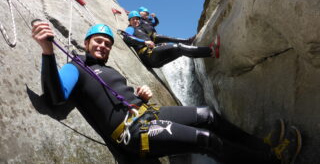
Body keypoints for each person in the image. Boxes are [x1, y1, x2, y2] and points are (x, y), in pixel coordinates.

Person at [32, 22, 301, 164]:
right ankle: (272, 159)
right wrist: (47, 52)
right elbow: (55, 97)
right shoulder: (75, 67)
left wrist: (141, 95)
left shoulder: (108, 70)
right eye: (98, 42)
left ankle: (262, 147)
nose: (103, 46)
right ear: (87, 43)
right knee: (205, 139)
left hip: (148, 113)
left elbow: (113, 98)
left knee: (208, 115)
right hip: (133, 133)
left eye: (107, 43)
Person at [122, 11, 219, 68]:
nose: (135, 21)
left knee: (180, 51)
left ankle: (211, 53)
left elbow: (154, 27)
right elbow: (127, 38)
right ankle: (210, 50)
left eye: (137, 19)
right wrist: (145, 42)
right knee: (179, 47)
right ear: (129, 21)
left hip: (154, 59)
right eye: (133, 19)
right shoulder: (130, 28)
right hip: (149, 55)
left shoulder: (141, 28)